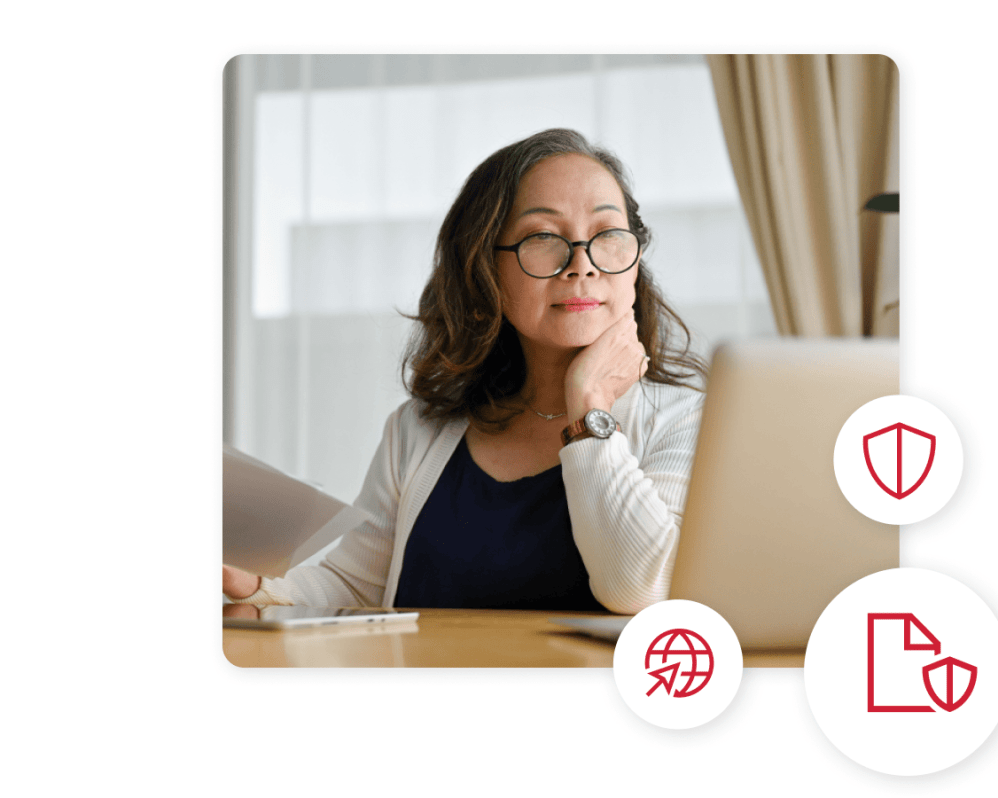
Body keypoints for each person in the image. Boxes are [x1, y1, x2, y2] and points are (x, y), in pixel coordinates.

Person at [222, 128, 706, 615]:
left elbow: (640, 590)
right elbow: (353, 587)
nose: (582, 264)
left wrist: (589, 406)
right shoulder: (417, 430)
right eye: (543, 236)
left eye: (608, 234)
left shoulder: (689, 421)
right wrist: (259, 586)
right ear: (484, 267)